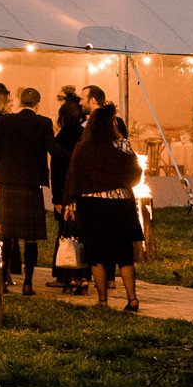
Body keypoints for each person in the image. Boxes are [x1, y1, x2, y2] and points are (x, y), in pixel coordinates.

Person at [63, 103, 143, 310]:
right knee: (124, 255)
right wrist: (120, 184)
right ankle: (132, 299)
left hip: (93, 206)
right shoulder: (123, 145)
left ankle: (102, 301)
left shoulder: (83, 148)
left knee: (96, 255)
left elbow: (74, 176)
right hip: (120, 205)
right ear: (111, 125)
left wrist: (70, 203)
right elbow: (135, 174)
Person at [0, 87, 62, 294]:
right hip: (31, 185)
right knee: (30, 238)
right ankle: (28, 283)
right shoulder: (43, 123)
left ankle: (2, 280)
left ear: (20, 102)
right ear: (37, 104)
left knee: (7, 235)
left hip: (9, 183)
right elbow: (53, 150)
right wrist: (74, 156)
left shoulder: (5, 121)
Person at [48, 91, 88, 294]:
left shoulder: (62, 137)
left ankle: (67, 276)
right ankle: (83, 276)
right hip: (83, 190)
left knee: (65, 233)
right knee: (81, 232)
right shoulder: (85, 135)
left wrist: (56, 198)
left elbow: (56, 169)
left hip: (66, 190)